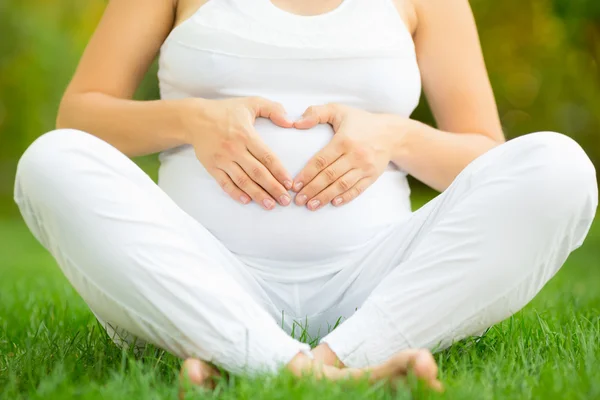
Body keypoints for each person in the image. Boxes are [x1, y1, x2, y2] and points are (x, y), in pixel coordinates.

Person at [14, 0, 598, 391]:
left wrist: (395, 134)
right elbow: (80, 116)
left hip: (374, 280)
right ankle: (319, 367)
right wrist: (191, 120)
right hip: (205, 270)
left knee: (560, 168)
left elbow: (485, 159)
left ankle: (274, 357)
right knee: (51, 162)